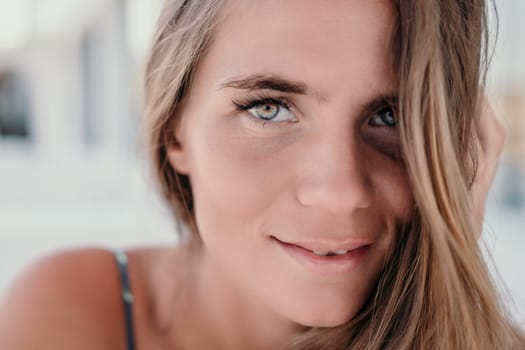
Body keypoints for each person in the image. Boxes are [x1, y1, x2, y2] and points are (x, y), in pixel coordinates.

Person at [0, 0, 524, 349]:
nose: (339, 192)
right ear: (174, 128)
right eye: (269, 108)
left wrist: (447, 273)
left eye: (391, 117)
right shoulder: (72, 315)